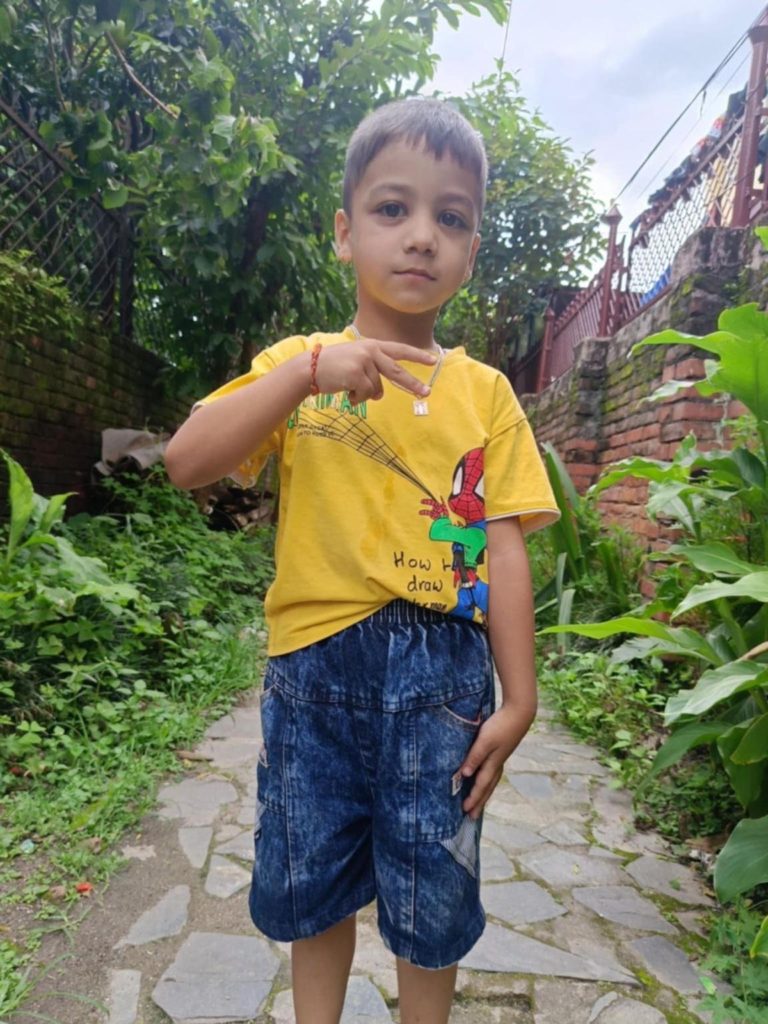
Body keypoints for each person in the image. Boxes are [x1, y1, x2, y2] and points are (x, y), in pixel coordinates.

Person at [165, 98, 558, 1024]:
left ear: (471, 249)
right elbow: (186, 461)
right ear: (344, 234)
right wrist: (305, 375)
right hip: (313, 676)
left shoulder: (486, 393)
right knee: (314, 889)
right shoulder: (298, 364)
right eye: (392, 208)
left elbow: (504, 544)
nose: (421, 235)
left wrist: (520, 699)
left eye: (450, 217)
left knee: (431, 903)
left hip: (443, 687)